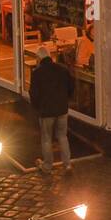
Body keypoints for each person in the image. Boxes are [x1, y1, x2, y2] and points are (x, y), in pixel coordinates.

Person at [30, 45, 74, 175]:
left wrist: (37, 107)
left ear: (39, 58)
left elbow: (34, 94)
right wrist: (65, 100)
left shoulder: (37, 73)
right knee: (62, 136)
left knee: (46, 138)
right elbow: (71, 87)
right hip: (62, 109)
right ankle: (67, 165)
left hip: (46, 111)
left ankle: (47, 166)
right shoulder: (62, 69)